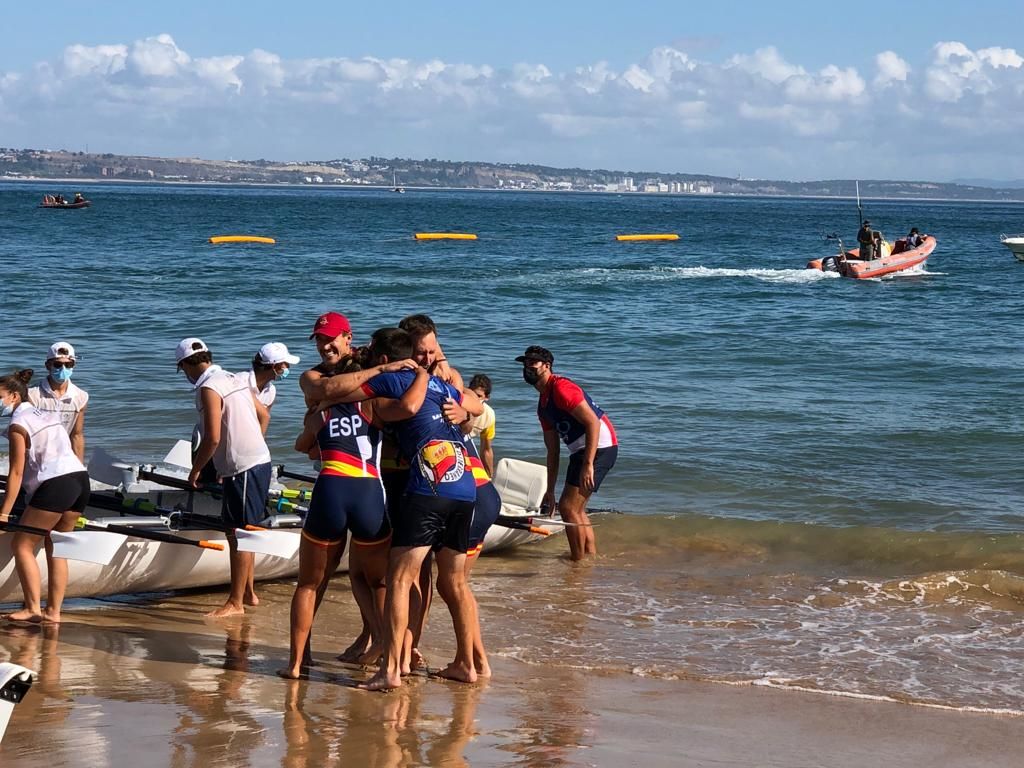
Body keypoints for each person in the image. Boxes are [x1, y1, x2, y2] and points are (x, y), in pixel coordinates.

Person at [320, 327, 485, 690]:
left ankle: (391, 670)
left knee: (399, 578)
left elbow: (331, 390)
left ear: (384, 358)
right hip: (465, 487)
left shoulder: (393, 381)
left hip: (427, 487)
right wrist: (464, 410)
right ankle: (466, 665)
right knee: (454, 581)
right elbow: (476, 403)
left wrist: (379, 373)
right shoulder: (442, 385)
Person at [278, 358, 430, 679]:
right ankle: (390, 659)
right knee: (380, 583)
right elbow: (406, 409)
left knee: (308, 584)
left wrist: (319, 423)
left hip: (330, 489)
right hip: (367, 491)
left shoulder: (319, 412)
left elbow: (303, 447)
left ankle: (294, 665)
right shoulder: (371, 405)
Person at [176, 337, 272, 618]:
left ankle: (235, 603)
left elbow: (212, 437)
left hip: (244, 468)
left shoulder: (208, 386)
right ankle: (248, 593)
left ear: (184, 365)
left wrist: (196, 469)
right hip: (255, 462)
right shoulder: (235, 377)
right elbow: (263, 415)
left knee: (239, 534)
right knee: (244, 531)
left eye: (182, 369)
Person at [0, 369, 91, 624]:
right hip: (80, 480)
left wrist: (4, 513)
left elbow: (16, 473)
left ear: (15, 396)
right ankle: (54, 611)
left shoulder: (18, 424)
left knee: (22, 544)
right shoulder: (47, 414)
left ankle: (32, 608)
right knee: (56, 546)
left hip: (57, 484)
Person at [517, 346, 617, 561]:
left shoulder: (561, 388)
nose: (528, 367)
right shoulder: (543, 406)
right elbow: (552, 451)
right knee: (576, 509)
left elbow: (593, 423)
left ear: (547, 366)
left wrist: (588, 464)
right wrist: (550, 490)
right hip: (581, 451)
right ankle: (588, 557)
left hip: (600, 446)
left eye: (533, 363)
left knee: (568, 507)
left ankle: (577, 562)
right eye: (525, 363)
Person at [28, 342, 88, 463]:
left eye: (68, 364)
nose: (63, 368)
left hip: (64, 459)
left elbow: (76, 435)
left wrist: (80, 469)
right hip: (36, 459)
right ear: (47, 366)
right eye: (57, 364)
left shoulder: (81, 397)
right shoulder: (32, 395)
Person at [399, 313, 463, 388]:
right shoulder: (393, 374)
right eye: (421, 353)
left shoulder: (450, 376)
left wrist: (441, 359)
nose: (428, 360)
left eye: (431, 352)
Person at [248, 342, 300, 435]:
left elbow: (261, 426)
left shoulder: (271, 391)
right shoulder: (240, 383)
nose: (288, 367)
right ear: (275, 367)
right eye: (286, 364)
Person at [462, 374, 495, 477]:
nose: (475, 398)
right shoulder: (457, 405)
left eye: (479, 396)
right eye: (472, 394)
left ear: (487, 397)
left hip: (466, 448)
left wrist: (489, 476)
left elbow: (486, 449)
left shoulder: (489, 416)